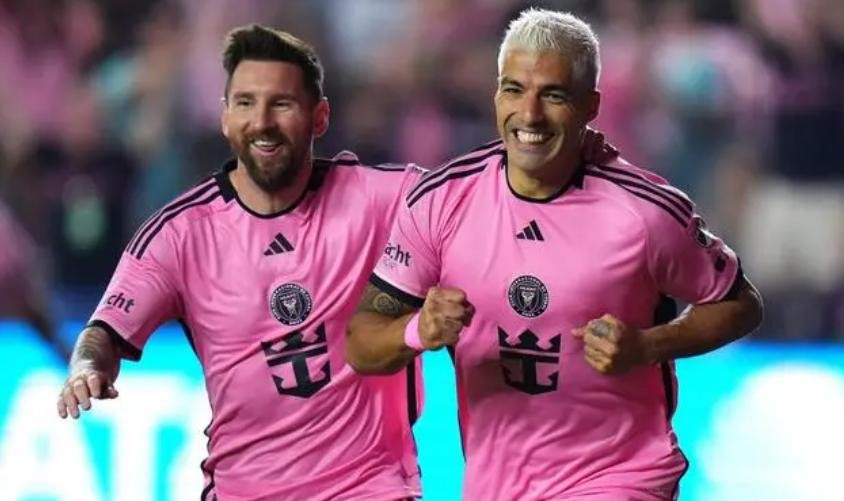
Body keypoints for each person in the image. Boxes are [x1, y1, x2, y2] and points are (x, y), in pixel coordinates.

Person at [346, 8, 764, 501]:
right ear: (496, 95)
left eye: (554, 95)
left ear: (591, 105)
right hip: (495, 485)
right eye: (514, 89)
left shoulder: (645, 212)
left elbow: (741, 304)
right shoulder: (441, 201)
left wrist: (648, 345)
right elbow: (361, 343)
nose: (530, 115)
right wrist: (419, 329)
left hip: (622, 477)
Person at [55, 25, 424, 500]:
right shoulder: (181, 235)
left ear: (320, 117)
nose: (262, 121)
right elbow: (104, 331)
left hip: (370, 488)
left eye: (281, 104)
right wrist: (87, 368)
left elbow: (477, 203)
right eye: (246, 103)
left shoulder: (383, 200)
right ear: (226, 117)